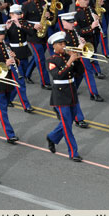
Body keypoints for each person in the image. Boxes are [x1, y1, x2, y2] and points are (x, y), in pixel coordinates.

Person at [46, 31, 84, 162]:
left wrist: (78, 59)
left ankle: (52, 137)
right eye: (60, 44)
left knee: (68, 121)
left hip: (71, 91)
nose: (63, 46)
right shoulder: (51, 60)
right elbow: (57, 75)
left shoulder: (67, 57)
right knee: (67, 126)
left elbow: (79, 73)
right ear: (54, 46)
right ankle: (73, 152)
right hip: (60, 94)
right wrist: (70, 62)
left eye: (64, 43)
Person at [59, 11, 89, 128]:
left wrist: (83, 43)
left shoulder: (74, 33)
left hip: (78, 67)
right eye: (70, 22)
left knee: (71, 93)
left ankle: (63, 109)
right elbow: (66, 53)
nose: (73, 24)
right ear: (63, 22)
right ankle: (78, 118)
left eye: (73, 21)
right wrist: (79, 48)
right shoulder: (62, 37)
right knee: (72, 94)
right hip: (70, 68)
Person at [74, 0, 104, 102]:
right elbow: (78, 32)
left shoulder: (90, 10)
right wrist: (91, 27)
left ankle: (73, 88)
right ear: (79, 0)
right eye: (84, 0)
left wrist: (98, 21)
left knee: (81, 72)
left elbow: (96, 27)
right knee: (87, 70)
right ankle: (94, 93)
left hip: (92, 42)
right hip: (83, 45)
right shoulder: (76, 15)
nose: (87, 2)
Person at [21, 0, 52, 89]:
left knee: (37, 57)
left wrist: (49, 15)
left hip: (44, 34)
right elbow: (21, 22)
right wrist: (33, 26)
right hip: (33, 36)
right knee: (41, 59)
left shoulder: (44, 2)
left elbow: (50, 15)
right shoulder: (26, 5)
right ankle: (45, 82)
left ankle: (27, 74)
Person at [6, 4, 34, 113]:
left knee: (19, 79)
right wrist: (6, 28)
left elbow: (32, 32)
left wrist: (21, 25)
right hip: (15, 55)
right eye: (16, 14)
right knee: (20, 81)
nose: (19, 16)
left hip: (24, 52)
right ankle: (26, 105)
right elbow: (2, 39)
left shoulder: (23, 23)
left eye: (19, 13)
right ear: (11, 14)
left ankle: (9, 99)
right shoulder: (8, 25)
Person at [80, 0, 107, 78]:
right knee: (91, 49)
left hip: (96, 22)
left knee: (94, 46)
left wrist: (101, 2)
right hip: (87, 25)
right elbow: (79, 13)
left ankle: (94, 69)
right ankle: (96, 70)